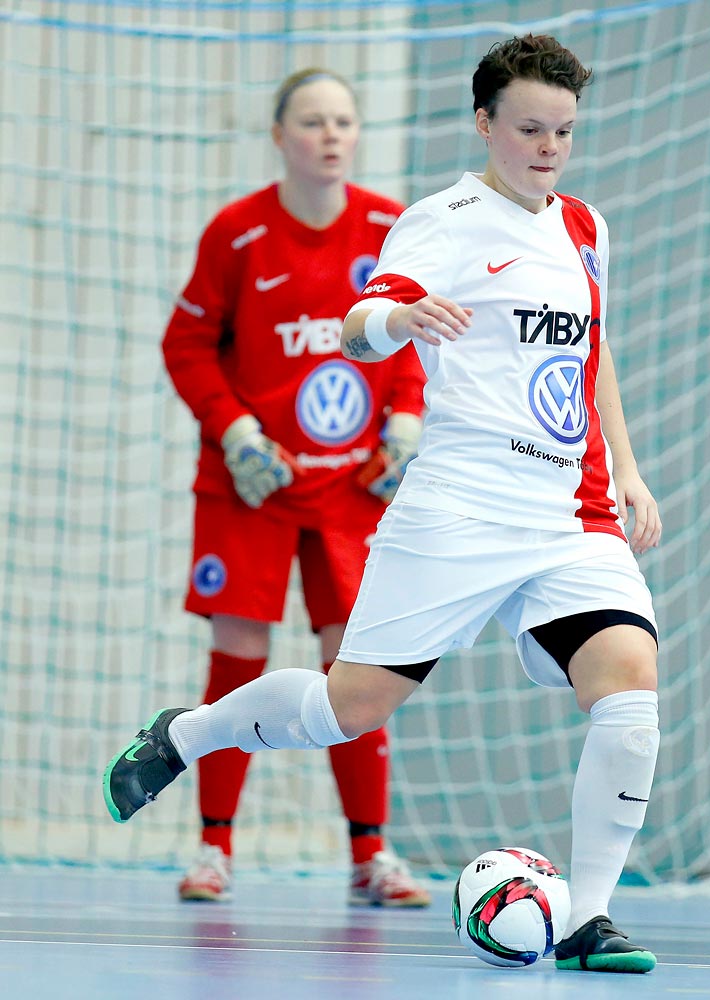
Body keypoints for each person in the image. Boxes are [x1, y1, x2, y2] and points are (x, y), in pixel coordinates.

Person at [105, 35, 661, 973]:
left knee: (630, 692)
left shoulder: (585, 228)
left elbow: (592, 355)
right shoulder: (440, 219)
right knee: (348, 706)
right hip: (455, 509)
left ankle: (587, 919)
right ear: (485, 123)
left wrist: (631, 469)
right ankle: (186, 735)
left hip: (569, 515)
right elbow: (367, 321)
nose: (549, 147)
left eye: (564, 130)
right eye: (530, 128)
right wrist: (396, 322)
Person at [156, 67, 431, 908]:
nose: (330, 135)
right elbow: (187, 345)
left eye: (343, 121)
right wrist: (237, 432)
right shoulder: (236, 235)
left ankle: (370, 856)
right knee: (236, 659)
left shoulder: (390, 226)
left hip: (353, 491)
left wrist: (407, 425)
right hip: (252, 489)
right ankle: (213, 850)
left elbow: (416, 340)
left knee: (356, 669)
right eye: (312, 121)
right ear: (280, 136)